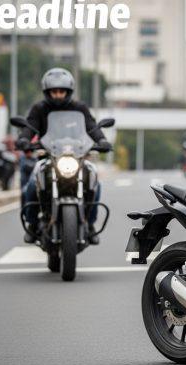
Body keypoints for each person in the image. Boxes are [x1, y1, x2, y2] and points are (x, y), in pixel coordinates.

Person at [15, 67, 112, 244]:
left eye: (62, 91)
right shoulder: (39, 108)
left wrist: (102, 141)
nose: (58, 95)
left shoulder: (80, 108)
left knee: (94, 183)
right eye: (54, 91)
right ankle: (32, 224)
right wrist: (24, 139)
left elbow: (91, 127)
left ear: (68, 91)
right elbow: (30, 127)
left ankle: (89, 224)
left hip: (76, 157)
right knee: (30, 185)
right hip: (47, 156)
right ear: (47, 92)